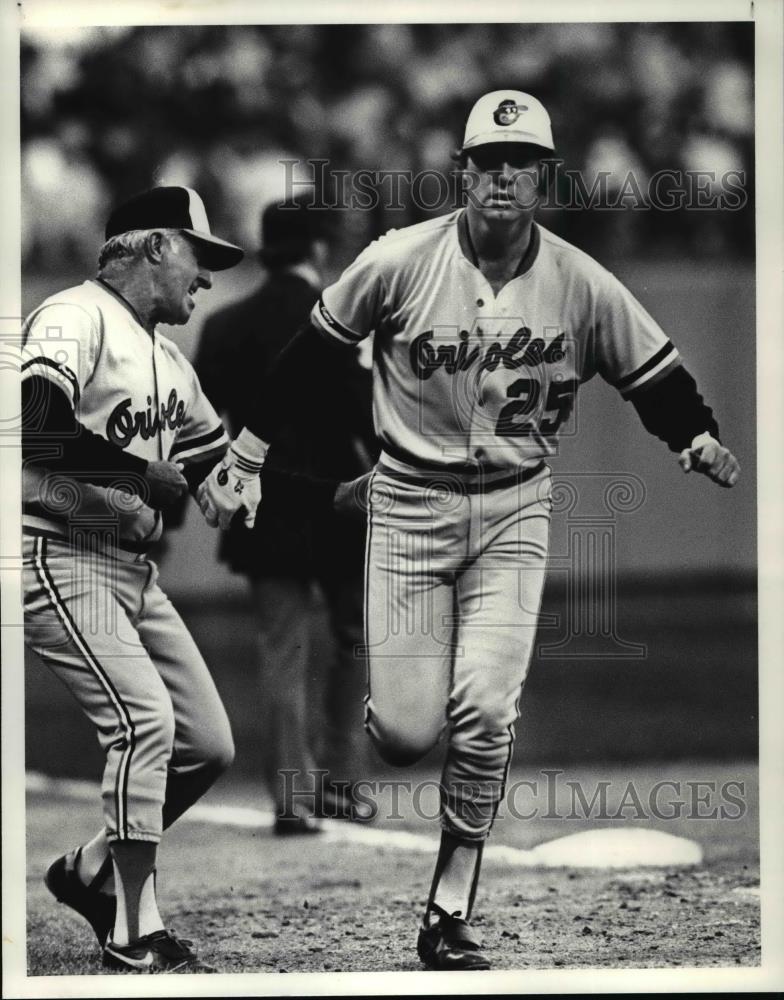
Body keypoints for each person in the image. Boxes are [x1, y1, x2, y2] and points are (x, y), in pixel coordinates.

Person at [196, 91, 741, 971]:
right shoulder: (398, 261)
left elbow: (654, 370)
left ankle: (450, 902)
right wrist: (250, 453)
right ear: (463, 172)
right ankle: (397, 711)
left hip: (517, 507)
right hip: (407, 502)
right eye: (488, 160)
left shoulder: (580, 280)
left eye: (520, 162)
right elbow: (310, 356)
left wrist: (695, 433)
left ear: (545, 178)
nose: (502, 176)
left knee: (486, 710)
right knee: (407, 736)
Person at [21, 186, 246, 973]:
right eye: (200, 256)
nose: (207, 277)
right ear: (154, 247)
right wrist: (144, 472)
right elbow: (42, 435)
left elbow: (220, 465)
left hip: (127, 569)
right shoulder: (72, 318)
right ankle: (132, 929)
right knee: (146, 723)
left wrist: (323, 494)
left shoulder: (167, 359)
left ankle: (89, 872)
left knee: (207, 745)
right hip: (55, 553)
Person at [194, 196, 376, 833]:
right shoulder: (338, 319)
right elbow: (368, 416)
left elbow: (203, 424)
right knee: (358, 641)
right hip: (339, 500)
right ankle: (341, 781)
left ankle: (293, 800)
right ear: (319, 250)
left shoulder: (223, 326)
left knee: (283, 654)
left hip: (264, 504)